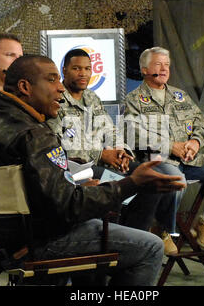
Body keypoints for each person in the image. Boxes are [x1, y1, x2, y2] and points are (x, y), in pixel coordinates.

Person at [0, 55, 186, 286]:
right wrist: (132, 183)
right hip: (38, 241)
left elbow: (34, 190)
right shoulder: (34, 135)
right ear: (25, 87)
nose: (60, 89)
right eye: (51, 80)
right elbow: (70, 207)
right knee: (150, 246)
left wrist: (76, 186)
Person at [47, 49, 177, 255]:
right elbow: (63, 146)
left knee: (151, 181)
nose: (83, 73)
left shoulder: (92, 97)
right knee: (118, 186)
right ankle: (115, 247)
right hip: (77, 169)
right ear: (64, 70)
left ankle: (134, 243)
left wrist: (120, 151)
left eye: (87, 69)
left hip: (105, 163)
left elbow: (110, 130)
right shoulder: (56, 100)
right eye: (76, 68)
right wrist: (101, 154)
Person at [123, 47, 204, 252]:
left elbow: (201, 123)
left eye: (167, 64)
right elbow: (133, 134)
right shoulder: (133, 100)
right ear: (144, 69)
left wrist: (196, 143)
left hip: (191, 158)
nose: (164, 68)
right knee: (177, 180)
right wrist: (169, 147)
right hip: (159, 161)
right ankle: (162, 229)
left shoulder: (180, 96)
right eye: (158, 64)